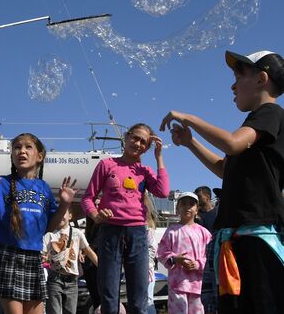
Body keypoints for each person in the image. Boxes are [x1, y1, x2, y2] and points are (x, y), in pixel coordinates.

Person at [160, 50, 284, 314]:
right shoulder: (254, 127)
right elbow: (224, 169)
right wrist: (191, 142)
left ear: (262, 79)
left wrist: (190, 117)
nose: (232, 84)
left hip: (256, 238)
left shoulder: (270, 113)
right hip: (237, 238)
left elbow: (231, 143)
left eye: (239, 75)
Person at [0, 132, 77, 314]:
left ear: (39, 156)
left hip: (33, 256)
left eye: (28, 147)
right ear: (12, 155)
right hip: (7, 255)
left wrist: (65, 204)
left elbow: (49, 227)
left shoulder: (44, 187)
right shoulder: (2, 183)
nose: (22, 151)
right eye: (17, 147)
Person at [81, 123, 169, 314]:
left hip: (137, 233)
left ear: (147, 148)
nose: (137, 143)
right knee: (109, 296)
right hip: (109, 231)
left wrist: (159, 157)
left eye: (143, 142)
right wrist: (96, 215)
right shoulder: (106, 164)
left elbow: (163, 191)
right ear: (126, 137)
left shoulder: (144, 171)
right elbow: (88, 198)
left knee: (139, 298)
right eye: (135, 137)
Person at [157, 192, 212, 314]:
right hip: (177, 285)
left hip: (198, 285)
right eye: (183, 204)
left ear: (197, 209)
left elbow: (210, 256)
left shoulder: (204, 233)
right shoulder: (171, 231)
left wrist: (197, 264)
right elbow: (161, 253)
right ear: (177, 208)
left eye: (191, 204)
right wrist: (175, 259)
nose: (187, 207)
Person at [43, 207, 98, 314]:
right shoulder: (50, 234)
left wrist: (101, 267)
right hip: (55, 278)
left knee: (71, 311)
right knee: (54, 310)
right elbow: (43, 253)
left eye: (63, 212)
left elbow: (89, 251)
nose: (60, 216)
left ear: (70, 216)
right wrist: (44, 257)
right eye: (57, 214)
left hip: (72, 279)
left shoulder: (77, 233)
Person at [194, 186, 218, 314]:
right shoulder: (196, 217)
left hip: (216, 256)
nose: (197, 199)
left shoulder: (218, 213)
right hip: (201, 259)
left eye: (199, 196)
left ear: (207, 197)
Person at [144, 194, 158, 314]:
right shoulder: (149, 226)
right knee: (147, 300)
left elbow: (152, 249)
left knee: (147, 301)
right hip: (146, 268)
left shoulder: (147, 227)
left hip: (146, 269)